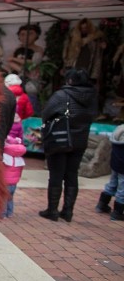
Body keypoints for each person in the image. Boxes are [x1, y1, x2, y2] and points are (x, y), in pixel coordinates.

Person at [39, 68, 98, 222]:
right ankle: (68, 211)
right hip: (80, 140)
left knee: (56, 175)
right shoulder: (92, 97)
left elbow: (46, 114)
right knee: (72, 175)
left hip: (60, 139)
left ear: (70, 80)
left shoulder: (61, 95)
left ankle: (52, 210)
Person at [96, 124, 124, 219]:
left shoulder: (119, 129)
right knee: (122, 189)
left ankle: (101, 205)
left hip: (115, 163)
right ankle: (117, 213)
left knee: (112, 184)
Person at [1, 135, 26, 219]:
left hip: (5, 181)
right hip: (14, 183)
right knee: (10, 198)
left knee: (3, 198)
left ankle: (2, 213)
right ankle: (10, 212)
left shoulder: (5, 157)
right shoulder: (19, 158)